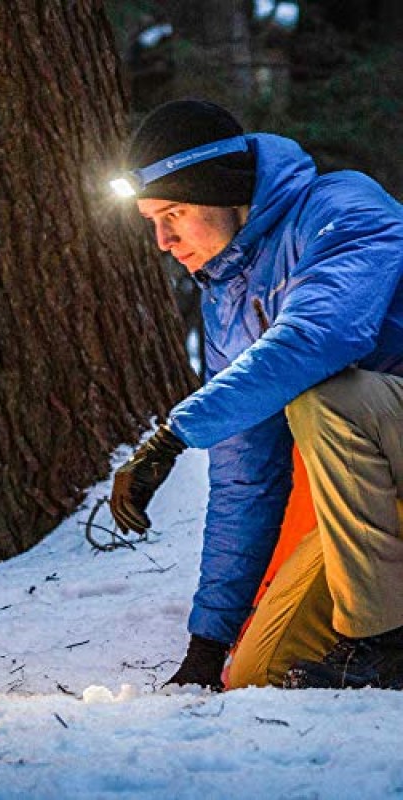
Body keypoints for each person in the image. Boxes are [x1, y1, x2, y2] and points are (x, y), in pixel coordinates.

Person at [110, 99, 403, 691]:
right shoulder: (226, 299)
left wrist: (173, 435)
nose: (163, 240)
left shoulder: (343, 208)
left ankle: (386, 646)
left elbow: (319, 337)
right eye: (151, 221)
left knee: (325, 401)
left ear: (222, 193)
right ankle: (370, 636)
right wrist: (206, 646)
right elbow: (246, 479)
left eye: (175, 213)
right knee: (257, 673)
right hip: (381, 502)